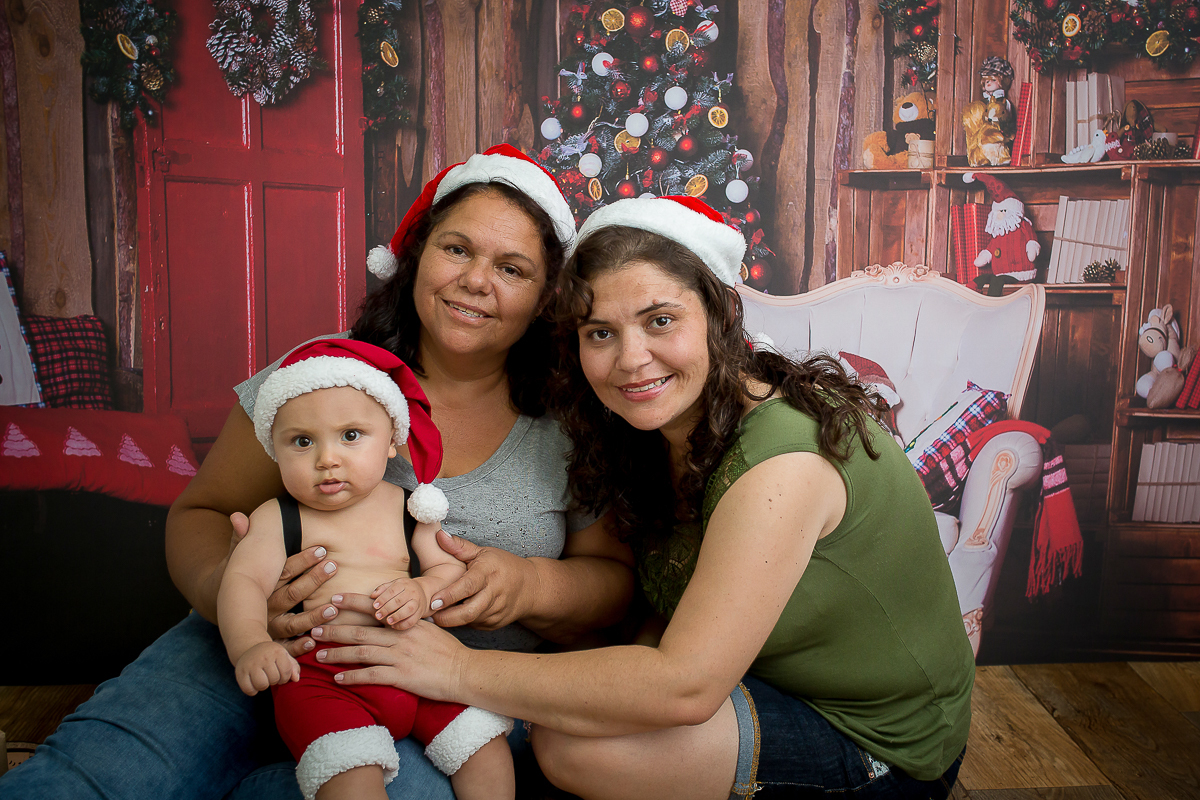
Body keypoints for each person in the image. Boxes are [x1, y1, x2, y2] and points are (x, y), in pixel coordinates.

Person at [0, 144, 633, 800]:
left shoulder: (573, 421)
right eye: (456, 250)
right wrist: (238, 599)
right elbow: (203, 513)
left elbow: (614, 586)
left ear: (544, 297)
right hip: (248, 653)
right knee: (92, 777)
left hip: (435, 697)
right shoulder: (317, 377)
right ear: (416, 258)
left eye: (512, 267)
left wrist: (527, 586)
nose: (476, 280)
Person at [307, 195, 976, 799]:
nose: (631, 359)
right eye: (601, 333)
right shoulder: (649, 429)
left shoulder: (783, 459)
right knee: (580, 706)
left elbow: (683, 684)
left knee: (576, 745)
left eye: (659, 320)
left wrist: (454, 671)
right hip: (760, 683)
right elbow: (660, 612)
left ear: (719, 313)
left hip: (875, 739)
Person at [221, 338, 514, 800]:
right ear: (274, 450)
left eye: (351, 436)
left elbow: (445, 571)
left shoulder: (409, 508)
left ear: (392, 440)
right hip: (324, 681)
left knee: (484, 745)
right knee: (351, 778)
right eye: (302, 442)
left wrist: (421, 592)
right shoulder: (277, 518)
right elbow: (243, 582)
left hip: (419, 669)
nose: (327, 459)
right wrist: (251, 644)